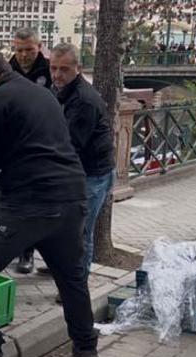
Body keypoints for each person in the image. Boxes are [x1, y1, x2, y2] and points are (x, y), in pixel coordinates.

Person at [0, 50, 99, 357]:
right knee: (71, 276)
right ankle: (85, 344)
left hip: (30, 202)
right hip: (71, 196)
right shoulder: (43, 94)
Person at [50, 44, 115, 276]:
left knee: (80, 232)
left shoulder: (84, 100)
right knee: (63, 228)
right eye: (54, 68)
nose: (57, 75)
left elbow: (70, 144)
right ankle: (64, 268)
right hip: (74, 171)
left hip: (92, 174)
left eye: (64, 69)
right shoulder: (58, 90)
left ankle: (78, 279)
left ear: (77, 68)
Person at [8, 28, 52, 274]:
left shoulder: (49, 70)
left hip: (41, 146)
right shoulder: (7, 69)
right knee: (15, 202)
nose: (24, 55)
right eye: (19, 49)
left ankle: (31, 253)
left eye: (29, 50)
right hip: (13, 147)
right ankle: (17, 249)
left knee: (38, 203)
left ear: (39, 46)